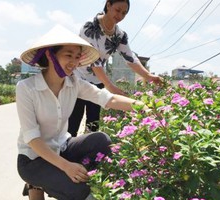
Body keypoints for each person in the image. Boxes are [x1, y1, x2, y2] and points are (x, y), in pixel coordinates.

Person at [16, 25, 145, 200]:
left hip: (62, 148)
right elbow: (32, 139)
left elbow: (108, 99)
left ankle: (58, 180)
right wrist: (66, 167)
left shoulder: (74, 83)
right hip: (33, 159)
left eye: (77, 57)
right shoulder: (26, 88)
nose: (74, 62)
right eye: (68, 55)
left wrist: (145, 107)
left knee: (101, 140)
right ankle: (42, 180)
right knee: (80, 190)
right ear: (49, 55)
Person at [68, 0, 163, 136]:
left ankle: (87, 155)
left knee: (93, 124)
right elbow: (95, 61)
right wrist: (110, 86)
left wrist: (148, 76)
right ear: (108, 5)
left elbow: (130, 58)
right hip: (77, 78)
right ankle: (64, 155)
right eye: (118, 10)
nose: (120, 15)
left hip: (97, 81)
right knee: (73, 122)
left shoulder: (119, 35)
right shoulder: (89, 27)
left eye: (124, 13)